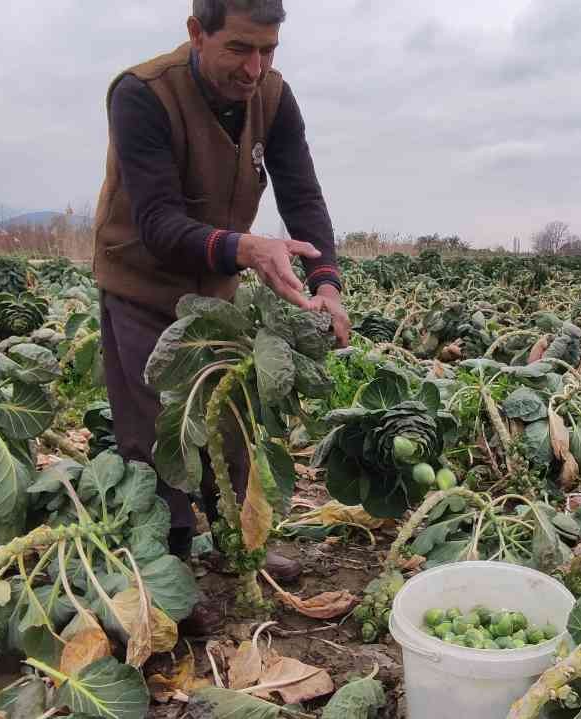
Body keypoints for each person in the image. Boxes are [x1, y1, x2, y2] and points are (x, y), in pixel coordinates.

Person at [92, 0, 350, 623]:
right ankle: (167, 577)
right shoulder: (142, 94)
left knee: (229, 421)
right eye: (239, 48)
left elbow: (302, 194)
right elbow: (158, 222)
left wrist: (327, 282)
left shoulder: (274, 98)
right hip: (141, 284)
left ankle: (240, 545)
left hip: (215, 287)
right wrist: (247, 249)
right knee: (158, 433)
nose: (254, 67)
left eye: (268, 50)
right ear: (196, 33)